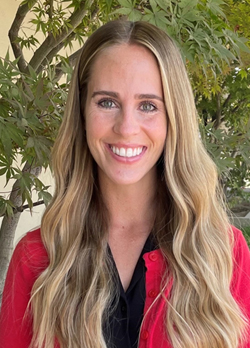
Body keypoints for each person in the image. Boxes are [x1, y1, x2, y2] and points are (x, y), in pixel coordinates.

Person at [0, 20, 250, 348]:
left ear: (173, 117)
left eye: (148, 105)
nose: (127, 127)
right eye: (107, 102)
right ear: (83, 112)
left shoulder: (222, 253)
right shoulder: (37, 259)